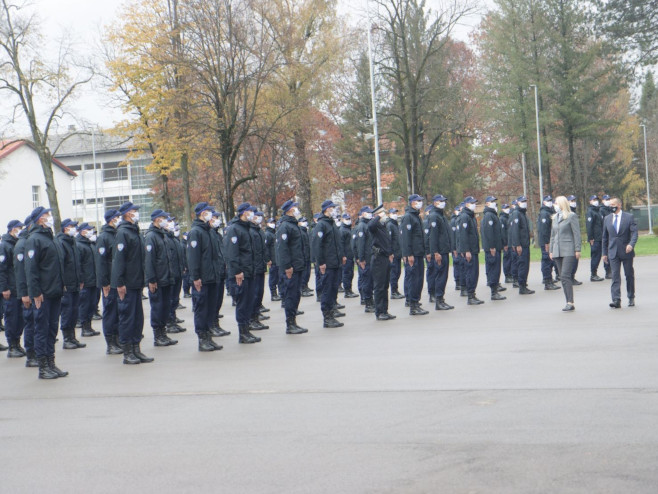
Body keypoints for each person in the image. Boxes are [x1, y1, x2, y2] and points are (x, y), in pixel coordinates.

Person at [24, 207, 68, 379]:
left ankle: (51, 363)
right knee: (42, 330)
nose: (50, 217)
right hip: (43, 293)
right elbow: (31, 269)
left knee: (51, 329)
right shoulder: (34, 240)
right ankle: (43, 367)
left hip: (55, 291)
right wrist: (35, 292)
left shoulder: (51, 237)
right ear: (39, 219)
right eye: (47, 215)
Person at [112, 201, 154, 364]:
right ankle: (128, 351)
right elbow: (119, 260)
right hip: (127, 283)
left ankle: (136, 349)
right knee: (127, 318)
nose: (137, 213)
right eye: (135, 210)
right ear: (128, 213)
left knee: (137, 318)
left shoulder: (134, 231)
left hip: (136, 282)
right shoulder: (123, 233)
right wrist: (120, 283)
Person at [187, 202, 224, 351]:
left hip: (212, 277)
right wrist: (196, 277)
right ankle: (202, 338)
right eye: (209, 211)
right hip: (202, 278)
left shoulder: (209, 231)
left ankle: (209, 336)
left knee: (210, 308)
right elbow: (193, 257)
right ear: (202, 213)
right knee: (201, 309)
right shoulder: (196, 232)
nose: (211, 214)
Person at [225, 203, 261, 343]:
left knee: (249, 301)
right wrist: (237, 271)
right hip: (241, 274)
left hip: (249, 271)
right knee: (242, 302)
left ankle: (247, 330)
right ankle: (242, 332)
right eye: (250, 211)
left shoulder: (247, 228)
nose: (252, 213)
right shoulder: (235, 229)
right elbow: (232, 253)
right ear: (243, 213)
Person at [144, 210, 178, 348]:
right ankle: (158, 336)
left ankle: (163, 333)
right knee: (157, 307)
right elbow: (149, 260)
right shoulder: (151, 236)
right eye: (164, 218)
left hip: (166, 278)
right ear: (157, 219)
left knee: (165, 307)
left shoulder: (162, 235)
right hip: (157, 280)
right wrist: (151, 280)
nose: (166, 221)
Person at [312, 200, 345, 328]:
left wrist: (341, 255)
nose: (334, 210)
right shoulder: (321, 225)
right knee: (327, 290)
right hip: (328, 264)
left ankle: (332, 313)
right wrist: (321, 262)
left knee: (333, 289)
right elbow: (317, 246)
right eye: (332, 208)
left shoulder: (332, 224)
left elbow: (337, 243)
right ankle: (327, 317)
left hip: (335, 263)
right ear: (326, 209)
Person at [276, 200, 307, 334]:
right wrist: (287, 266)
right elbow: (282, 249)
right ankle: (290, 324)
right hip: (291, 268)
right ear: (289, 210)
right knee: (290, 295)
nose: (297, 209)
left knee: (296, 294)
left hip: (297, 266)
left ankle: (293, 321)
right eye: (295, 208)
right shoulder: (285, 226)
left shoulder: (294, 225)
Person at [95, 209, 123, 355]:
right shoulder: (104, 237)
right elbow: (101, 263)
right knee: (111, 312)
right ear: (112, 219)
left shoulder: (117, 235)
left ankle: (118, 339)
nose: (120, 219)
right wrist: (104, 283)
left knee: (118, 311)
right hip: (109, 282)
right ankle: (111, 343)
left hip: (117, 280)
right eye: (117, 217)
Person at [55, 219, 87, 350]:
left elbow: (77, 264)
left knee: (74, 311)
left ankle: (72, 337)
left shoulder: (72, 242)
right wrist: (63, 283)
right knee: (67, 311)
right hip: (67, 284)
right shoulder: (62, 242)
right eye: (72, 226)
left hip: (75, 283)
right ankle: (67, 339)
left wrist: (80, 279)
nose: (74, 228)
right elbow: (61, 265)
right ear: (65, 228)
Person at [602, 196, 638, 308]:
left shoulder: (629, 217)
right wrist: (604, 253)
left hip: (626, 251)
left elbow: (634, 233)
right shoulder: (607, 218)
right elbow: (605, 237)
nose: (611, 206)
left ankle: (631, 297)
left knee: (628, 275)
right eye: (610, 205)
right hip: (613, 252)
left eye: (613, 205)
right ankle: (616, 299)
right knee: (615, 276)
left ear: (619, 205)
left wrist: (631, 245)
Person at [549, 196, 581, 311]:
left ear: (562, 204)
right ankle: (567, 300)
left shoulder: (571, 216)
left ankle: (570, 302)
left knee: (565, 275)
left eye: (557, 203)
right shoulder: (554, 217)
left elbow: (576, 234)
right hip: (557, 250)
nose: (555, 205)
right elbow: (553, 236)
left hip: (568, 249)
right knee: (562, 277)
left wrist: (577, 249)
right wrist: (551, 250)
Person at [13, 214, 37, 367]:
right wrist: (25, 294)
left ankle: (35, 353)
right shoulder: (22, 245)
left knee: (35, 324)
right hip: (27, 292)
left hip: (33, 290)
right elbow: (20, 272)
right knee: (30, 324)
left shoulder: (28, 242)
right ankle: (31, 355)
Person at [0, 219, 26, 356]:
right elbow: (2, 269)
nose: (20, 230)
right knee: (11, 317)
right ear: (11, 229)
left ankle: (17, 343)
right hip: (10, 288)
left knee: (19, 318)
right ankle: (12, 346)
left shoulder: (17, 244)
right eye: (18, 228)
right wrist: (4, 288)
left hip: (18, 288)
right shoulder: (4, 245)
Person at [401, 195, 429, 315]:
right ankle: (413, 305)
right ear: (412, 202)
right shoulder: (408, 217)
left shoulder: (416, 216)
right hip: (413, 254)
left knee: (419, 280)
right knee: (413, 279)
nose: (420, 203)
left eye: (421, 201)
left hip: (419, 253)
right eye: (418, 201)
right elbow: (406, 238)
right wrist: (409, 254)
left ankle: (416, 302)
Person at [368, 205, 396, 320]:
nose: (384, 215)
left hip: (385, 257)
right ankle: (379, 312)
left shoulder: (382, 226)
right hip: (378, 258)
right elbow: (371, 225)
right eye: (382, 213)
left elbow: (386, 242)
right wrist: (377, 216)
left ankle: (385, 310)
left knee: (385, 286)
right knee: (379, 287)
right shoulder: (374, 226)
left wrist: (390, 253)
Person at [427, 195, 454, 310]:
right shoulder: (434, 216)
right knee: (440, 276)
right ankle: (438, 300)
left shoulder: (440, 215)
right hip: (439, 252)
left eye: (444, 201)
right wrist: (435, 252)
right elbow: (433, 236)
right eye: (441, 201)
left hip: (444, 250)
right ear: (435, 202)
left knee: (443, 276)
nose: (443, 203)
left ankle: (441, 299)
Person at [457, 196, 484, 305]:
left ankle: (472, 294)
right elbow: (463, 235)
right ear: (467, 204)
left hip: (473, 250)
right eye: (472, 203)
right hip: (469, 251)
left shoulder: (471, 216)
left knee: (474, 273)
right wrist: (466, 250)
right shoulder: (464, 217)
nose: (474, 204)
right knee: (470, 273)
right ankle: (470, 295)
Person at [76, 223, 101, 337]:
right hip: (85, 282)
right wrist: (81, 280)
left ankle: (89, 326)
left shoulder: (90, 244)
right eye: (88, 230)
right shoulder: (79, 245)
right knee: (84, 305)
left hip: (93, 280)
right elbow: (78, 265)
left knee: (92, 304)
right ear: (82, 231)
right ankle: (84, 327)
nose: (91, 232)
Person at [480, 196, 506, 301]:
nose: (494, 203)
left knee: (496, 269)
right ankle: (493, 292)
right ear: (487, 203)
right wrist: (492, 247)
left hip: (496, 247)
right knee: (493, 269)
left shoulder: (493, 215)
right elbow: (489, 233)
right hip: (493, 248)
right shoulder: (489, 216)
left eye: (494, 201)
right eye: (491, 201)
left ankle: (495, 289)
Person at [248, 209, 269, 332]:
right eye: (257, 216)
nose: (259, 218)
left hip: (260, 266)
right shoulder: (251, 231)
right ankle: (252, 319)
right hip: (254, 267)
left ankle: (256, 315)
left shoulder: (259, 231)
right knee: (254, 294)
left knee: (259, 293)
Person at [509, 195, 535, 295]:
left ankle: (523, 284)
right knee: (522, 265)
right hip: (521, 245)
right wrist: (517, 244)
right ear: (518, 203)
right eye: (522, 201)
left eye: (525, 201)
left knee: (525, 265)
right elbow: (515, 230)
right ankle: (522, 286)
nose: (525, 202)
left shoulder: (522, 213)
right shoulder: (516, 213)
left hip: (525, 244)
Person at [537, 196, 560, 290]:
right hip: (547, 241)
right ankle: (547, 281)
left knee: (550, 261)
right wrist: (547, 242)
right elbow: (544, 230)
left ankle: (549, 279)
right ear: (544, 202)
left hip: (551, 240)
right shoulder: (544, 213)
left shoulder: (550, 212)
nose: (550, 202)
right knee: (547, 261)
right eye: (548, 201)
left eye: (551, 200)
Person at [354, 206, 374, 311]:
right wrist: (361, 259)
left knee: (370, 281)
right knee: (367, 281)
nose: (370, 214)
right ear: (362, 214)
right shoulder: (362, 226)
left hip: (370, 257)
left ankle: (371, 300)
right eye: (367, 212)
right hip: (366, 259)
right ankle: (368, 303)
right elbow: (360, 244)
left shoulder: (367, 225)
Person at [586, 195, 605, 282]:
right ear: (590, 201)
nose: (595, 201)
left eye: (596, 199)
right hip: (595, 238)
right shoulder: (590, 212)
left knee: (598, 256)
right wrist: (591, 238)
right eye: (593, 200)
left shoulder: (598, 211)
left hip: (600, 237)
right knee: (595, 256)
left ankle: (595, 273)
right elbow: (589, 226)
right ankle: (593, 274)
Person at [386, 208, 404, 299]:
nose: (395, 214)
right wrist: (390, 253)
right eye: (393, 213)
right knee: (394, 273)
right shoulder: (389, 225)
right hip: (393, 253)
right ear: (389, 214)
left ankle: (395, 290)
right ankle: (393, 291)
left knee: (397, 272)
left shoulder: (395, 224)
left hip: (397, 253)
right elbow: (388, 240)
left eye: (396, 212)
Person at [339, 214, 358, 298]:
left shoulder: (348, 229)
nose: (348, 220)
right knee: (347, 274)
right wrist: (343, 255)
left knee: (350, 273)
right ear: (342, 219)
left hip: (350, 255)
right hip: (346, 256)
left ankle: (349, 289)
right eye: (346, 219)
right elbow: (341, 245)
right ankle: (347, 291)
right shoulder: (343, 230)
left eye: (349, 218)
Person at [567, 195, 583, 285]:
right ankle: (570, 277)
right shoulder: (569, 214)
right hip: (570, 241)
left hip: (573, 240)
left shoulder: (573, 213)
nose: (573, 202)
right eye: (571, 201)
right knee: (571, 261)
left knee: (575, 261)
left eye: (574, 200)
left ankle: (572, 276)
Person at [264, 218, 280, 302]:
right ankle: (273, 294)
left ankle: (278, 293)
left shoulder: (274, 233)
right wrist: (268, 259)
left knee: (278, 277)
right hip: (272, 260)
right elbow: (265, 248)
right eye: (271, 222)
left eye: (274, 222)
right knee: (273, 278)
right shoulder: (267, 234)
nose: (273, 223)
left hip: (277, 259)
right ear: (267, 224)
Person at [450, 204, 463, 291]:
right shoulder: (454, 221)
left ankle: (461, 282)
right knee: (457, 264)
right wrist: (454, 248)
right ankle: (458, 282)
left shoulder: (460, 219)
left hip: (461, 246)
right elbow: (453, 236)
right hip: (456, 247)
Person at [600, 194, 613, 279]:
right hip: (606, 233)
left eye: (609, 199)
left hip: (612, 234)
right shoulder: (602, 210)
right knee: (606, 253)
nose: (608, 201)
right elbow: (602, 223)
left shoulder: (611, 209)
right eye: (606, 199)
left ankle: (612, 270)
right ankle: (607, 271)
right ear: (603, 201)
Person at [499, 204, 512, 284]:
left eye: (508, 207)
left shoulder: (508, 218)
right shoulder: (502, 219)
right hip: (506, 243)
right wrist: (505, 243)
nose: (507, 209)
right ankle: (507, 276)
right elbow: (503, 232)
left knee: (510, 259)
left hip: (510, 242)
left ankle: (510, 274)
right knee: (507, 259)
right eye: (506, 208)